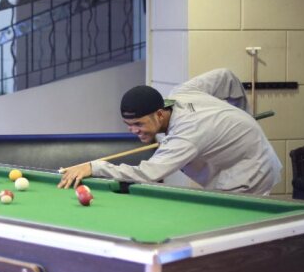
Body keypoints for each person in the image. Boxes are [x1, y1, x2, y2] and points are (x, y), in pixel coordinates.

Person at [58, 68, 282, 195]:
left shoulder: (187, 134)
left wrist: (94, 167)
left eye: (139, 124)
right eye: (129, 124)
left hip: (251, 170)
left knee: (230, 231)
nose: (133, 130)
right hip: (232, 159)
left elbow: (148, 174)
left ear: (159, 114)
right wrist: (242, 114)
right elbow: (226, 76)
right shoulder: (182, 93)